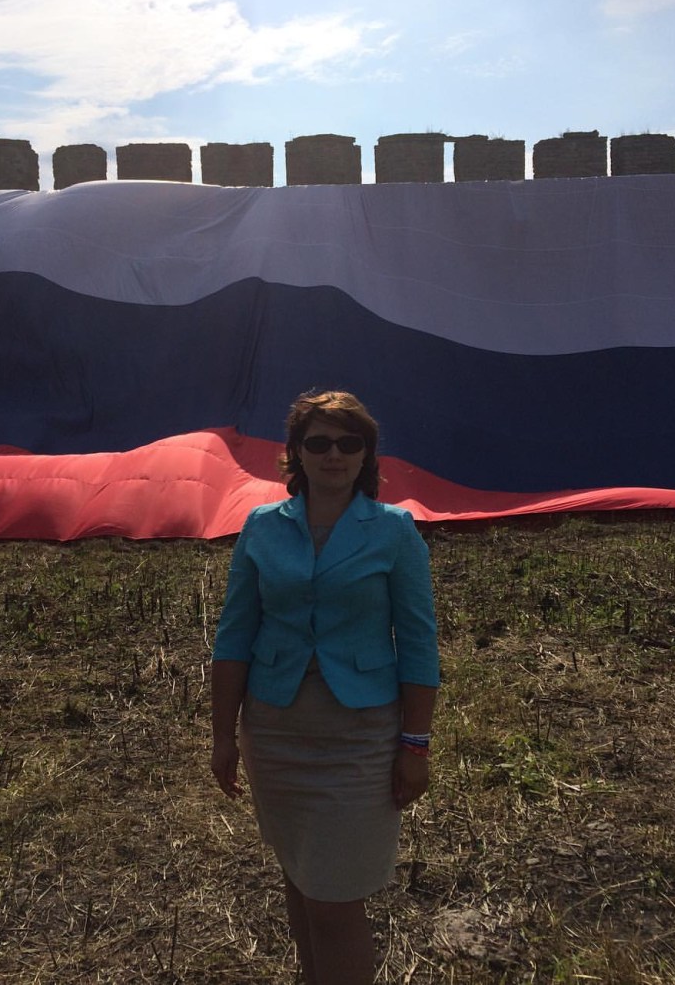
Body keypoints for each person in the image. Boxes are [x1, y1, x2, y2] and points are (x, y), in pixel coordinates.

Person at [211, 390, 439, 985]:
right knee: (300, 877)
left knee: (334, 900)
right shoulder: (262, 527)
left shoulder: (394, 531)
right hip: (275, 732)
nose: (333, 454)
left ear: (366, 455)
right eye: (318, 443)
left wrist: (415, 745)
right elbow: (234, 637)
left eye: (348, 443)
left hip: (359, 738)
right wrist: (222, 736)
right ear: (296, 453)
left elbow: (418, 646)